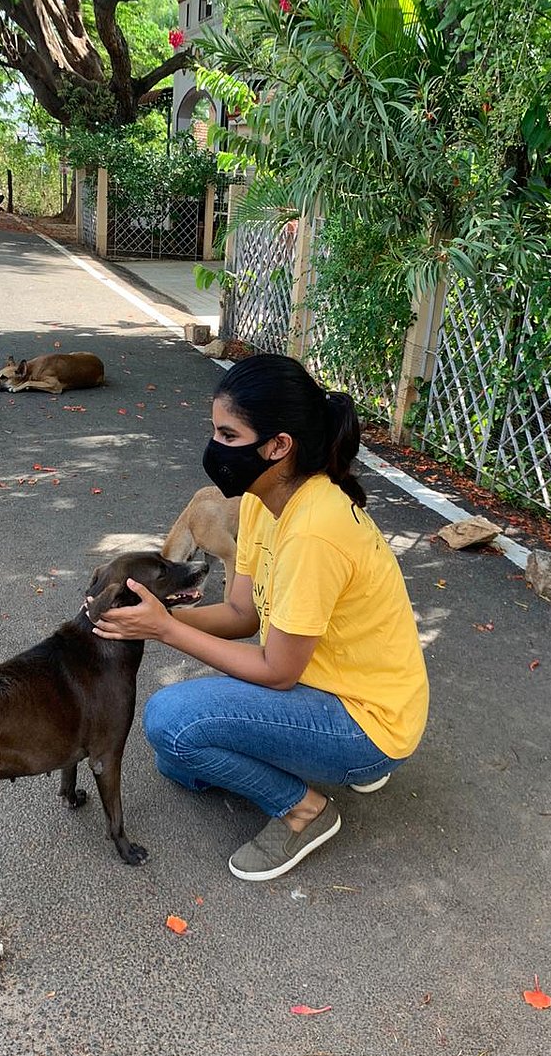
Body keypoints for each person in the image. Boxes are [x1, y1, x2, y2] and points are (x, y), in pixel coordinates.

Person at [88, 353, 429, 882]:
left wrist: (167, 629)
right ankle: (310, 757)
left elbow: (277, 671)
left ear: (278, 446)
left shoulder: (315, 530)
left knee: (170, 724)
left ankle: (304, 809)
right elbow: (243, 614)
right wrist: (158, 616)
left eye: (228, 435)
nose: (214, 449)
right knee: (174, 760)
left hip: (368, 722)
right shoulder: (259, 500)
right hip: (328, 688)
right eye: (214, 431)